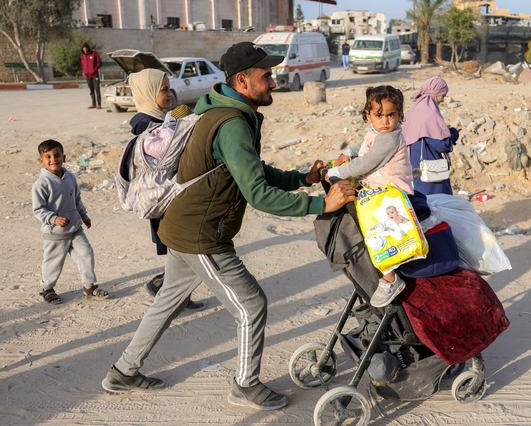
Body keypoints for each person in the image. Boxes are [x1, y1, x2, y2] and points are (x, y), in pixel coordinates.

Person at [101, 42, 356, 411]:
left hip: (182, 226)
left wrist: (301, 177)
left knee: (166, 302)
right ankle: (245, 385)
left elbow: (252, 169)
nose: (272, 81)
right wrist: (322, 203)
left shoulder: (229, 111)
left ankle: (123, 371)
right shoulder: (232, 123)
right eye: (265, 76)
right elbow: (258, 194)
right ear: (243, 80)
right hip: (201, 236)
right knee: (252, 305)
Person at [326, 85, 413, 308]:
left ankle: (391, 279)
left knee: (380, 234)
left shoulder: (390, 138)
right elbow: (365, 144)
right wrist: (348, 152)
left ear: (400, 115)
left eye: (391, 115)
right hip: (379, 192)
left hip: (390, 195)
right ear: (368, 116)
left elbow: (367, 161)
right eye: (379, 115)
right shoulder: (379, 133)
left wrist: (337, 172)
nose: (385, 121)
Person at [127, 68, 204, 311]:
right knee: (180, 248)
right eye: (164, 90)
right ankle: (162, 287)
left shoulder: (161, 118)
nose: (170, 94)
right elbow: (165, 151)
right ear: (149, 92)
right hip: (162, 197)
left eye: (170, 88)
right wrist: (184, 124)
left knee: (179, 251)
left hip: (172, 194)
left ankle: (175, 294)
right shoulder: (144, 123)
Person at [32, 140, 109, 304]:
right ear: (41, 161)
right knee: (53, 262)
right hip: (55, 234)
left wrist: (84, 215)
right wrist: (54, 219)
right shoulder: (41, 184)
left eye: (57, 155)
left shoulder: (70, 178)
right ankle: (47, 289)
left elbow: (77, 200)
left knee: (86, 254)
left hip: (75, 229)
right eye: (48, 156)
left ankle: (89, 288)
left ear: (64, 157)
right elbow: (38, 210)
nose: (54, 159)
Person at [402, 76, 459, 195]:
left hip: (414, 164)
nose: (442, 100)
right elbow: (440, 144)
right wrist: (452, 135)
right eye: (442, 96)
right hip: (429, 170)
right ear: (435, 93)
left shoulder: (417, 108)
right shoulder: (429, 113)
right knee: (435, 205)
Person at [80, 42, 103, 109]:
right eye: (84, 48)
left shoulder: (94, 54)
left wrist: (95, 69)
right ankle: (93, 103)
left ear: (88, 47)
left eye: (86, 47)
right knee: (91, 90)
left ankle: (99, 104)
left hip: (95, 75)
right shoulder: (82, 56)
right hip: (87, 75)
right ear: (82, 49)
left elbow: (100, 63)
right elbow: (82, 65)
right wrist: (84, 71)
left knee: (97, 89)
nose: (85, 49)